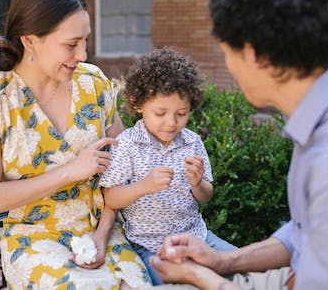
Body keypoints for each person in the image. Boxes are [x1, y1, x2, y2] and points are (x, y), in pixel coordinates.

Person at [149, 0, 328, 289]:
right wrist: (222, 260)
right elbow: (304, 230)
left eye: (226, 51)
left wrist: (202, 278)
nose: (229, 66)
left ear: (253, 54)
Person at [0, 0, 152, 289]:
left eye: (85, 41)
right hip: (35, 241)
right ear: (31, 40)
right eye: (71, 44)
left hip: (103, 232)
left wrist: (103, 233)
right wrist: (71, 171)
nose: (83, 54)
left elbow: (126, 161)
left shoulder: (94, 84)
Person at [100, 47, 237, 285]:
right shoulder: (127, 144)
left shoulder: (192, 141)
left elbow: (206, 196)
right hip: (151, 247)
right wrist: (143, 186)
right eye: (160, 113)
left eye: (181, 113)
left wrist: (198, 183)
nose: (171, 123)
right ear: (138, 104)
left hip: (197, 238)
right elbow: (110, 198)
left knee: (245, 270)